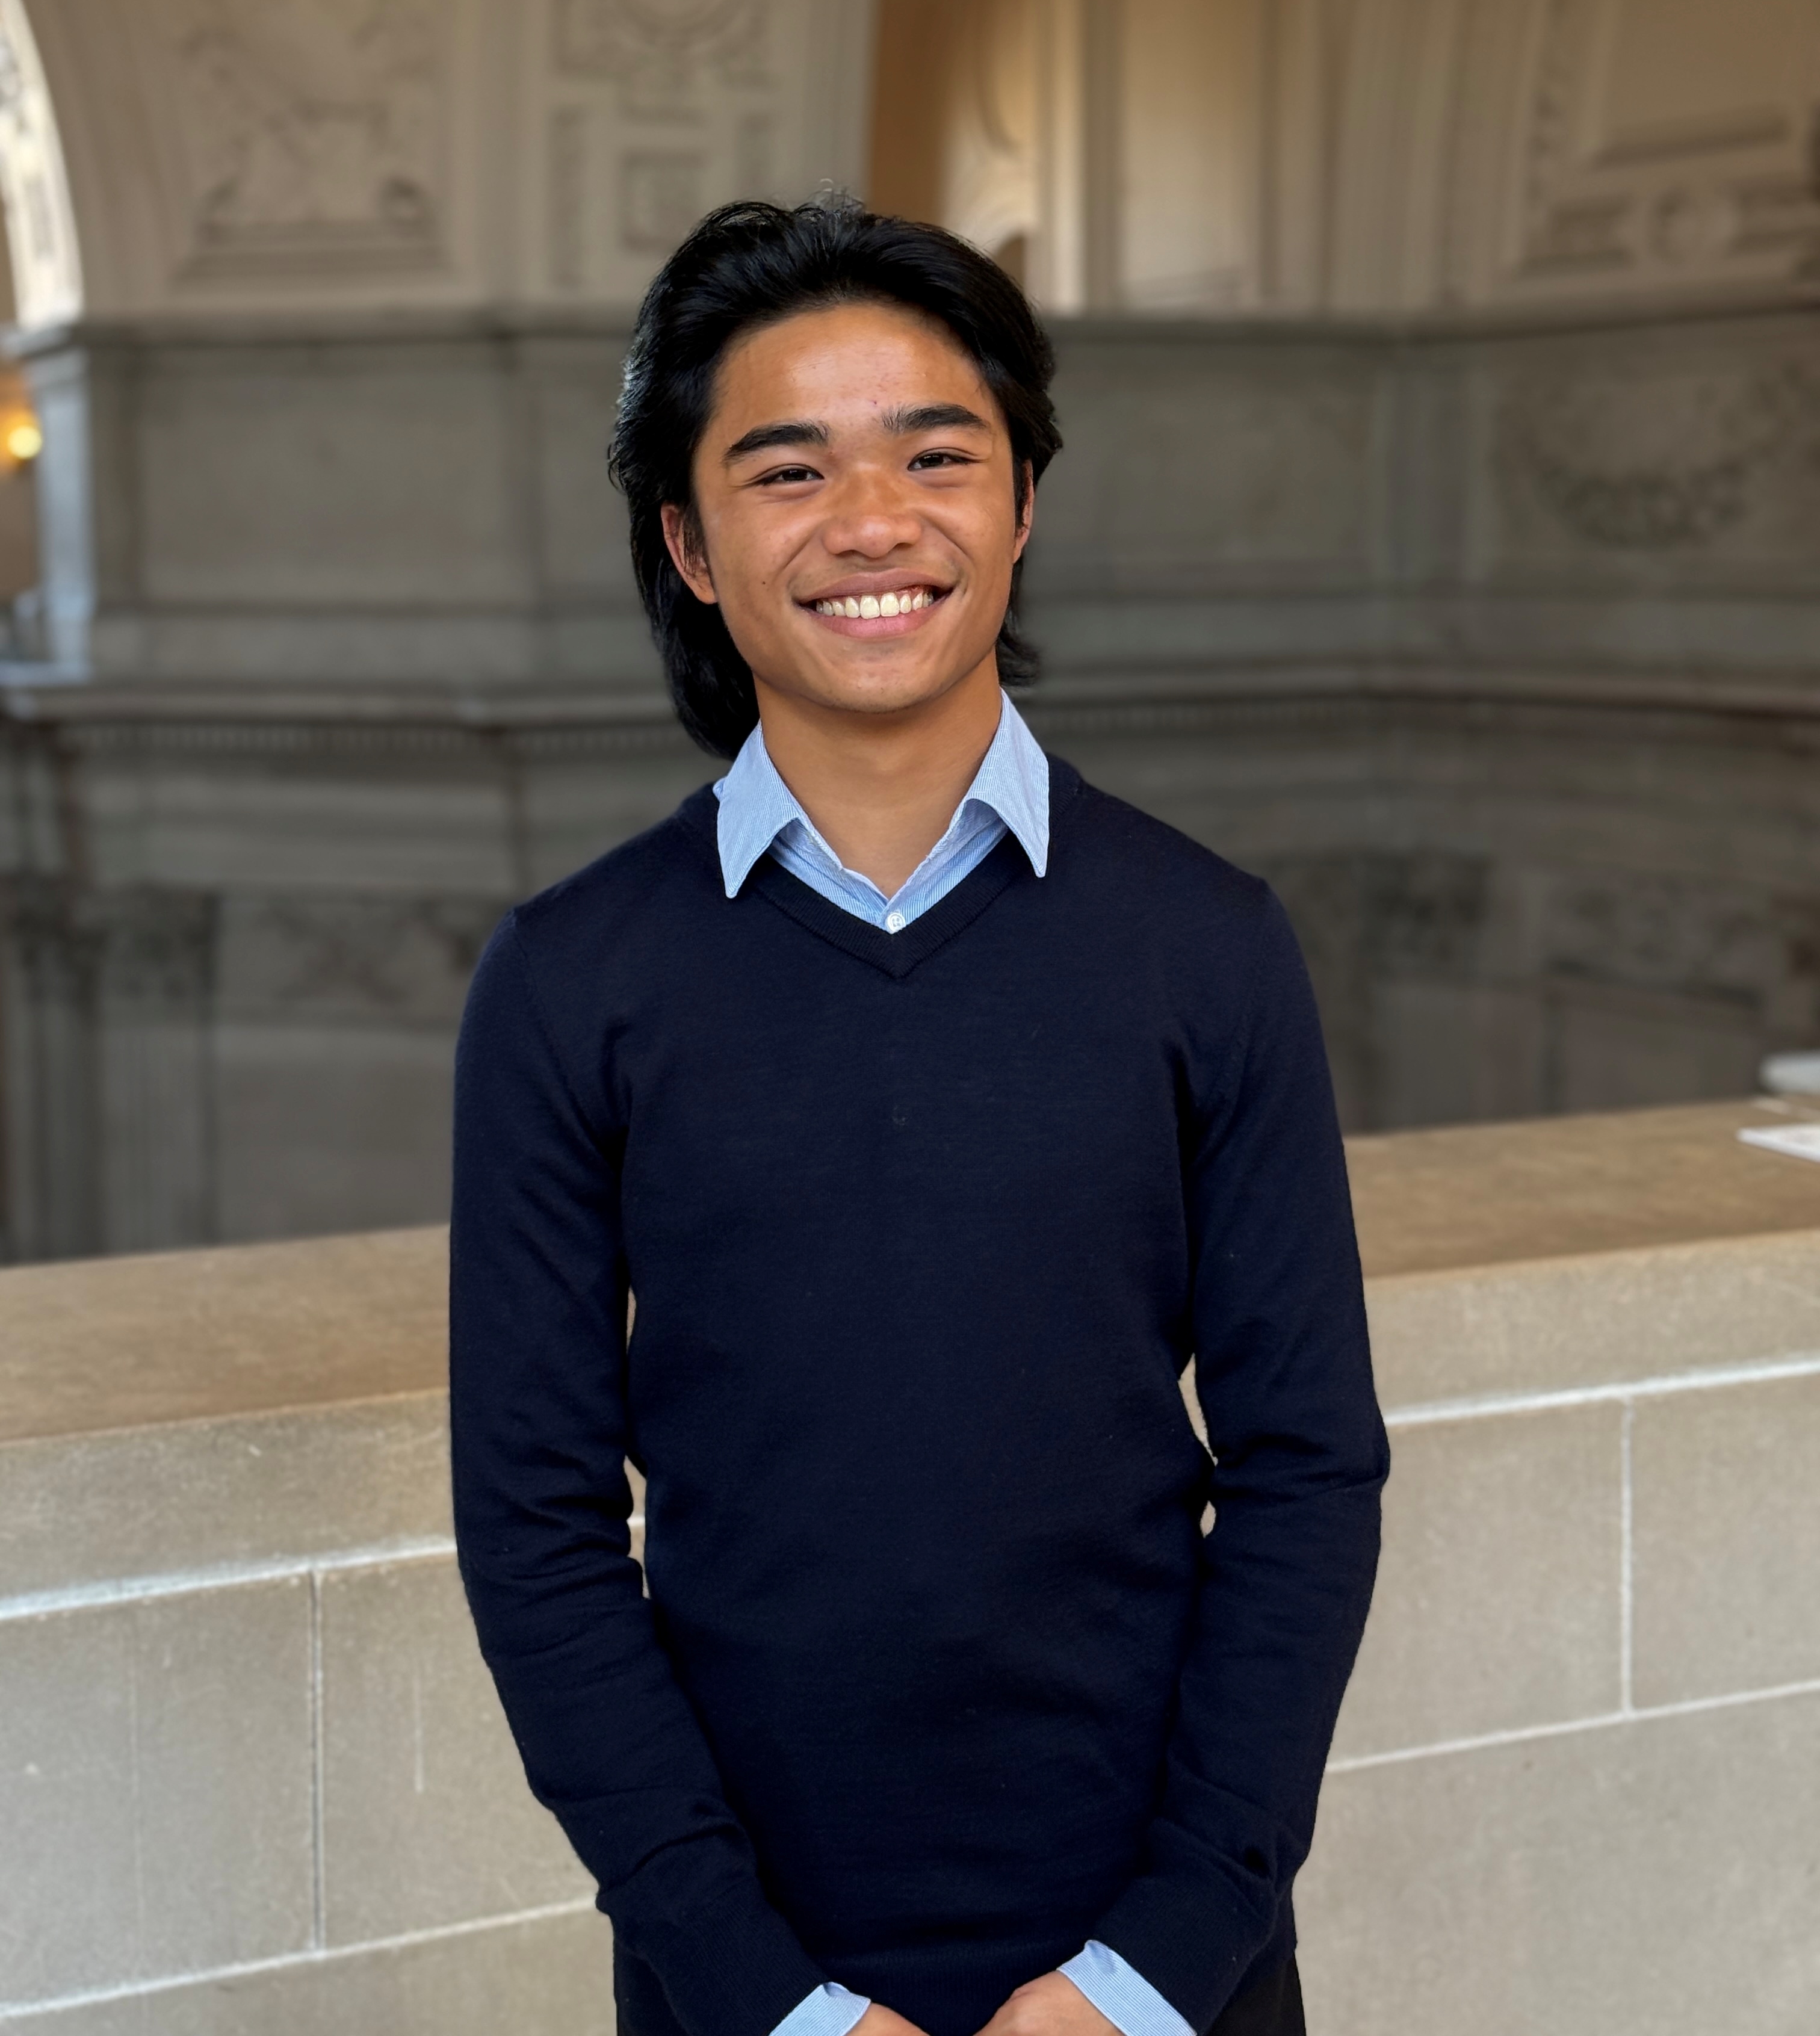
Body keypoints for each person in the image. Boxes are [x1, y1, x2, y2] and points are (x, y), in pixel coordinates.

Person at [450, 199, 1388, 2036]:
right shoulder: (570, 985)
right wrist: (762, 1994)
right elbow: (538, 1528)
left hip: (1164, 1977)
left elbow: (1307, 1470)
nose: (873, 524)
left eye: (935, 455)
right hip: (750, 1985)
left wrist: (1152, 1966)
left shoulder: (1208, 943)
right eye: (787, 471)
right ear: (689, 543)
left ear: (1021, 505)